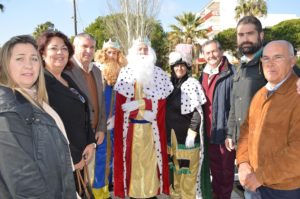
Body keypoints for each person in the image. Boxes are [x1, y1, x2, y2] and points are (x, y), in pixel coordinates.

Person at [0, 35, 76, 198]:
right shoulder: (7, 111)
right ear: (5, 65)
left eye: (34, 59)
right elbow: (24, 183)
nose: (29, 65)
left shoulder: (35, 99)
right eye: (20, 59)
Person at [237, 40, 300, 199]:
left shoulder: (297, 95)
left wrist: (261, 176)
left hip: (285, 188)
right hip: (254, 183)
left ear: (292, 61)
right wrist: (243, 162)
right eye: (266, 58)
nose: (270, 63)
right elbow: (246, 130)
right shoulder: (260, 94)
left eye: (278, 57)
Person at [37, 30, 96, 195]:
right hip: (61, 161)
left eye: (64, 48)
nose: (60, 52)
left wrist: (91, 142)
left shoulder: (66, 78)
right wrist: (72, 156)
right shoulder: (41, 84)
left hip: (81, 154)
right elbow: (47, 128)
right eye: (53, 48)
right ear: (42, 53)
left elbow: (83, 111)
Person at [113, 37, 173, 198]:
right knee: (134, 164)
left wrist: (143, 103)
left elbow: (161, 102)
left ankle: (151, 193)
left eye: (145, 49)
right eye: (139, 49)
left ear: (150, 52)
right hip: (132, 130)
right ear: (133, 52)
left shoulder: (159, 73)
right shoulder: (125, 73)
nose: (142, 52)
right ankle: (134, 194)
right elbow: (122, 105)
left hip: (151, 130)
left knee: (151, 164)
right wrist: (138, 108)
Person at [166, 50, 210, 199]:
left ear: (187, 68)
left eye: (183, 66)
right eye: (177, 66)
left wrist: (192, 133)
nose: (180, 68)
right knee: (176, 172)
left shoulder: (192, 84)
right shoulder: (167, 85)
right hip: (172, 139)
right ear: (172, 67)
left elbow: (197, 112)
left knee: (189, 173)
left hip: (187, 139)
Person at [200, 40, 235, 199]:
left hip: (224, 131)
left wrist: (231, 133)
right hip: (208, 132)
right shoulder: (203, 74)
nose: (211, 55)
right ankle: (216, 195)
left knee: (226, 171)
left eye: (214, 51)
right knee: (214, 169)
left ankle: (224, 196)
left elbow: (235, 105)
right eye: (207, 53)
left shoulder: (232, 73)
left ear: (221, 52)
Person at [92, 39, 127, 198]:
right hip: (102, 121)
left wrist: (117, 117)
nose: (111, 55)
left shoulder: (124, 71)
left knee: (114, 154)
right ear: (103, 53)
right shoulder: (96, 69)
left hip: (117, 120)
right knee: (101, 155)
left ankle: (110, 184)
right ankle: (99, 190)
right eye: (108, 52)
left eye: (114, 52)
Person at [65, 33, 106, 147]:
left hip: (94, 136)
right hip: (74, 139)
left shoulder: (97, 71)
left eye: (92, 47)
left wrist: (101, 128)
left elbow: (101, 102)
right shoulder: (65, 71)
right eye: (84, 46)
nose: (89, 50)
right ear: (74, 48)